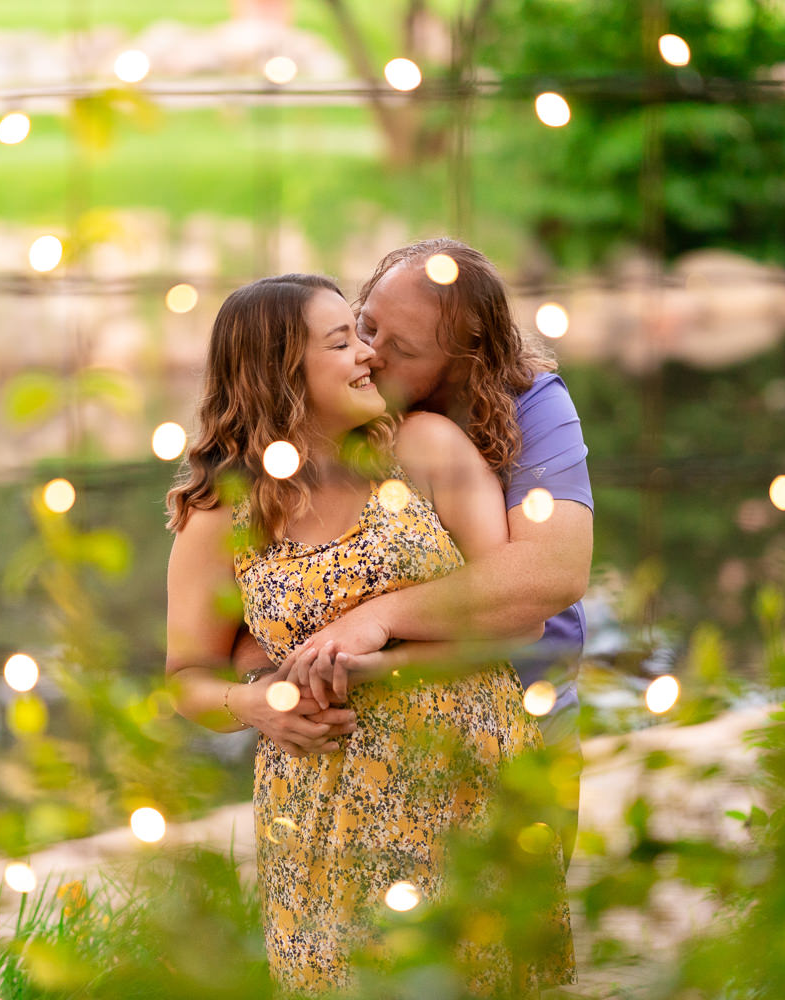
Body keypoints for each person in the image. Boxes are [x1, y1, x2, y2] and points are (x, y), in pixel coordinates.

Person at [163, 273, 574, 996]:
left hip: (468, 774)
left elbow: (515, 611)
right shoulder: (221, 514)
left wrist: (379, 658)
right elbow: (187, 678)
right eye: (343, 340)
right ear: (282, 370)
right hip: (323, 807)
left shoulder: (424, 447)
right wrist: (254, 707)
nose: (368, 356)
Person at [283, 238, 594, 872]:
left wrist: (378, 620)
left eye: (404, 350)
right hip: (349, 734)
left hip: (516, 714)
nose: (370, 352)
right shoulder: (324, 409)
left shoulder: (532, 405)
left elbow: (552, 575)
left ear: (463, 365)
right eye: (367, 324)